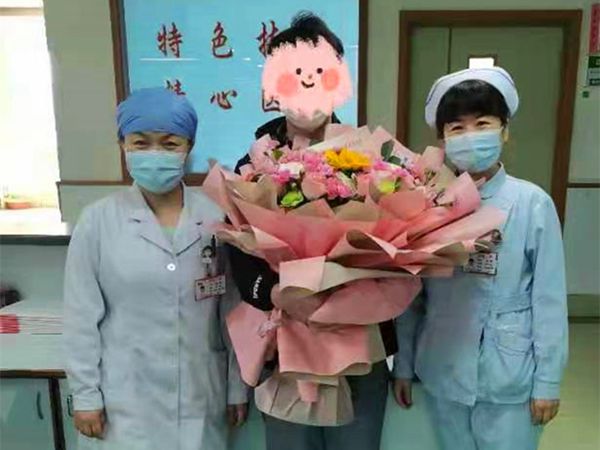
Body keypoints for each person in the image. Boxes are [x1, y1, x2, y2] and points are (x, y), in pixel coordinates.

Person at [227, 12, 392, 450]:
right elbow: (238, 250)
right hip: (285, 343)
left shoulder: (371, 159)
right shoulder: (253, 164)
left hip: (358, 337)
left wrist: (349, 293)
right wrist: (275, 293)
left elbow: (396, 246)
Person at [392, 67, 568, 450]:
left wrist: (548, 382)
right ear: (442, 139)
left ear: (504, 131)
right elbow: (410, 297)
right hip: (442, 366)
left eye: (483, 123)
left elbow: (549, 301)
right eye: (457, 127)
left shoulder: (532, 203)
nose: (470, 135)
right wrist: (403, 366)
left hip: (510, 372)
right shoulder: (428, 204)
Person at [63, 87, 248, 450]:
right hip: (124, 403)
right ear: (123, 144)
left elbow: (233, 313)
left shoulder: (215, 218)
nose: (155, 153)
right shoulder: (98, 221)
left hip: (201, 397)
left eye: (169, 143)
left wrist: (236, 387)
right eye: (141, 142)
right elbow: (80, 318)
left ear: (188, 147)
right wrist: (85, 395)